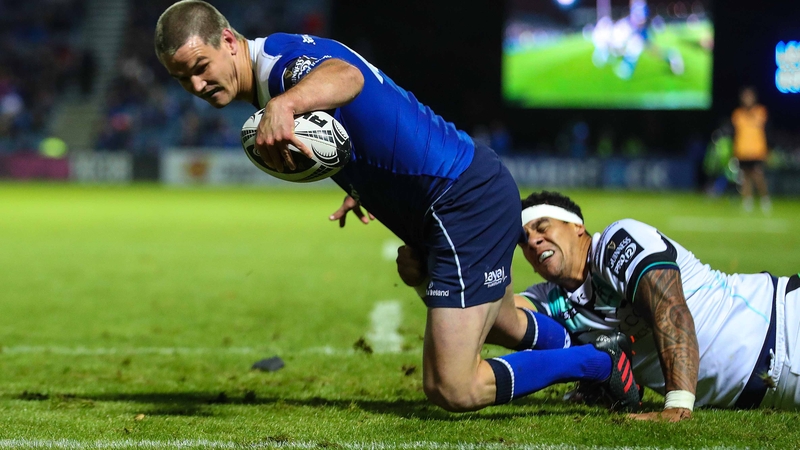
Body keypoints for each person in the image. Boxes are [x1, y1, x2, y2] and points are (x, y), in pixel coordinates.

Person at [154, 0, 641, 413]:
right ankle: (588, 349)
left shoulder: (283, 69)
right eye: (183, 79)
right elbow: (367, 116)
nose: (197, 86)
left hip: (461, 201)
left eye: (200, 67)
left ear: (229, 41)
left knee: (452, 386)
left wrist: (286, 105)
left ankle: (597, 365)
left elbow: (346, 77)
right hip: (457, 196)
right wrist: (363, 184)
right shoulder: (277, 62)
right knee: (503, 322)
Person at [513, 191, 798, 421]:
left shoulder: (615, 243)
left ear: (577, 226)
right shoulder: (551, 298)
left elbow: (669, 305)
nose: (534, 241)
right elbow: (497, 315)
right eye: (523, 242)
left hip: (785, 323)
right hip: (765, 393)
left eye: (542, 227)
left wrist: (678, 403)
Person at [731, 87, 771, 213]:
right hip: (742, 151)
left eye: (750, 96)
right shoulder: (737, 114)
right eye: (745, 97)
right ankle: (747, 202)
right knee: (745, 177)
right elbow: (735, 134)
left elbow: (766, 131)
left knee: (758, 176)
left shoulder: (760, 112)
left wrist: (767, 150)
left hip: (757, 151)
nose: (747, 99)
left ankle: (765, 199)